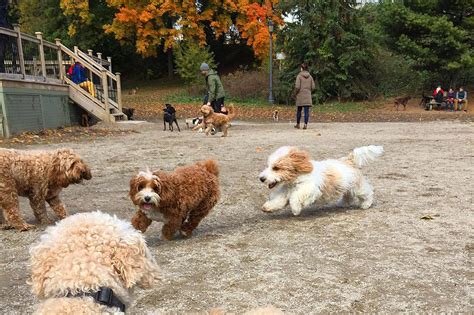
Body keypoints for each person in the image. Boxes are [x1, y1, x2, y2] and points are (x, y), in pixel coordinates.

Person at [294, 63, 315, 129]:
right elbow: (313, 87)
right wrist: (309, 91)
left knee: (299, 110)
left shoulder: (299, 76)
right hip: (308, 95)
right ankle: (305, 124)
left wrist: (295, 93)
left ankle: (298, 124)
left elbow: (297, 86)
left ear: (302, 68)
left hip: (300, 95)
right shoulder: (310, 76)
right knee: (306, 111)